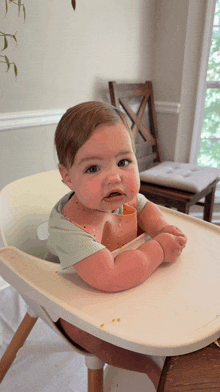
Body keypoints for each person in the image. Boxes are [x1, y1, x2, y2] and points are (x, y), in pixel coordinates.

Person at [47, 101, 187, 389]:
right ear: (67, 176)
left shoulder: (119, 196)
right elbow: (109, 277)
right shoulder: (70, 229)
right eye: (93, 168)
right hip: (76, 299)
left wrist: (159, 227)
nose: (114, 177)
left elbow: (144, 206)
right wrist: (158, 248)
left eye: (124, 162)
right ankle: (146, 366)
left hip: (131, 289)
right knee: (87, 335)